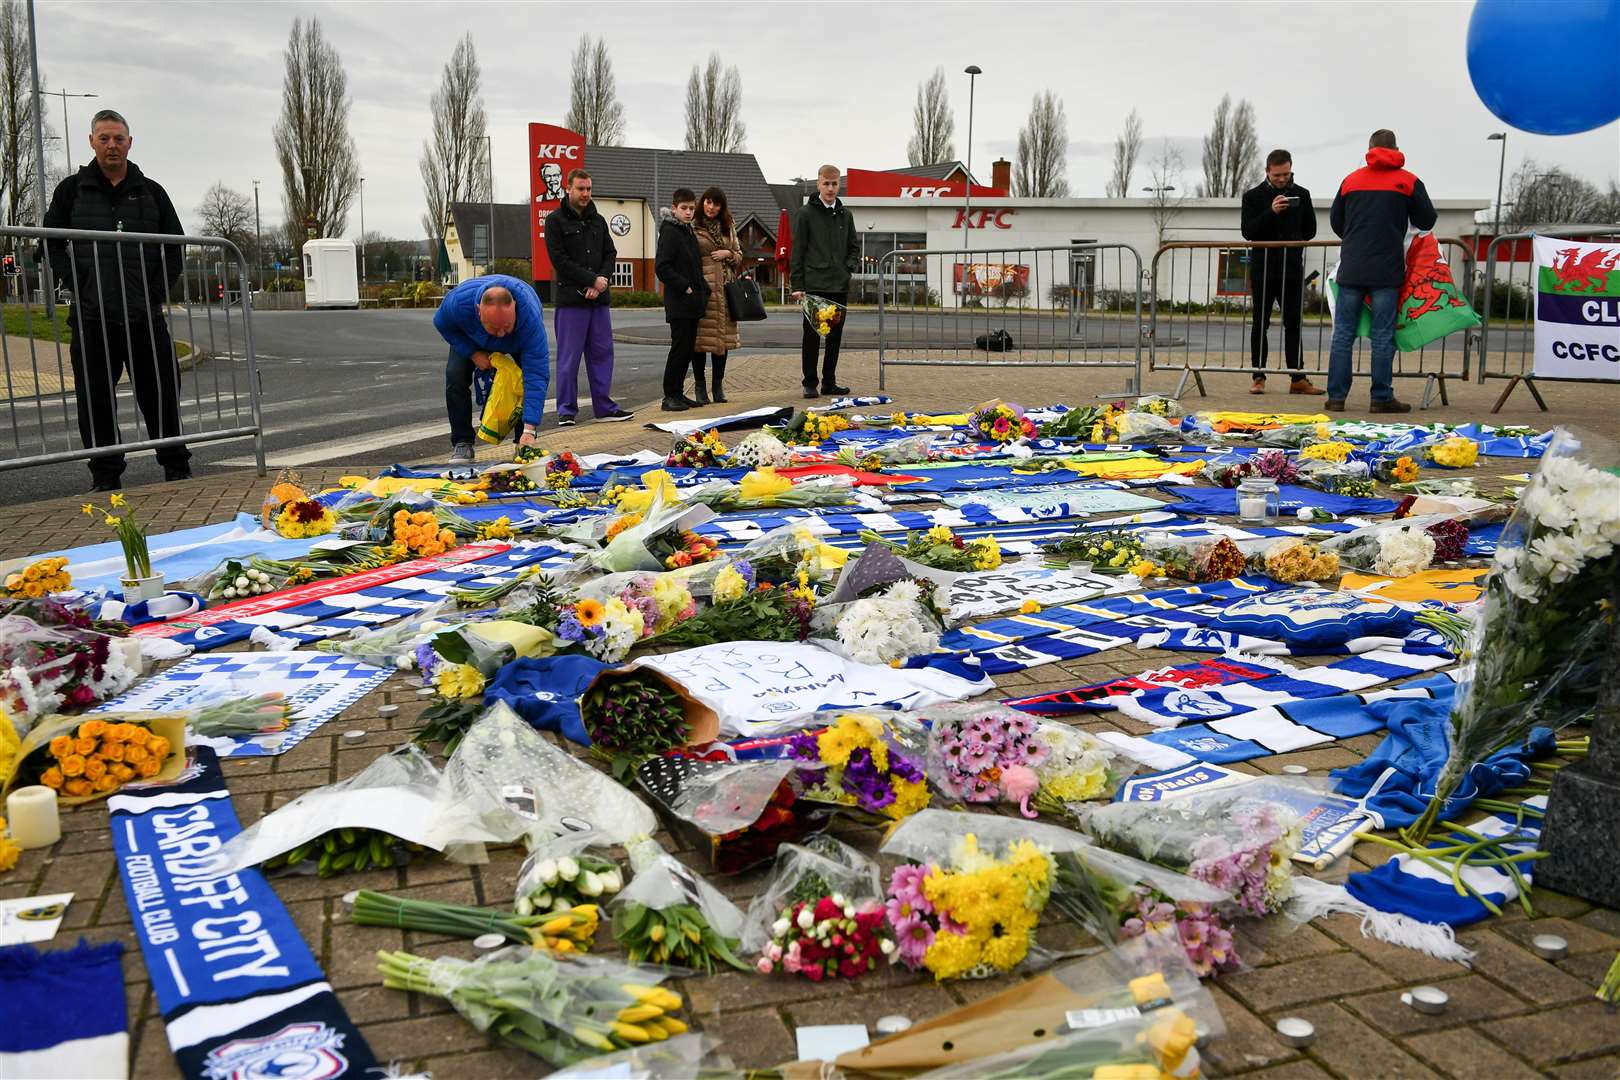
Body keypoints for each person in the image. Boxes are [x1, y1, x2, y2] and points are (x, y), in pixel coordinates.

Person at [44, 109, 188, 492]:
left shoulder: (151, 192)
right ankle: (106, 477)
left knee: (161, 393)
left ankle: (176, 467)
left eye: (118, 138)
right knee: (95, 400)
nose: (112, 145)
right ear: (92, 141)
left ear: (130, 143)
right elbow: (50, 242)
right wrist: (76, 281)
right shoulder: (72, 191)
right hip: (93, 318)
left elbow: (175, 246)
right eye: (104, 138)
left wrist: (156, 291)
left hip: (144, 316)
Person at [1326, 129, 1436, 413]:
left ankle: (1336, 398)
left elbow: (1337, 222)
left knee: (1343, 334)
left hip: (1351, 267)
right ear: (1396, 147)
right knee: (1383, 334)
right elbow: (1427, 219)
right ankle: (1381, 397)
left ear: (1370, 148)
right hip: (1387, 271)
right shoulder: (1408, 181)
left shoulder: (1350, 180)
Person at [544, 169, 632, 426]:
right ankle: (566, 412)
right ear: (568, 189)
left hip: (599, 301)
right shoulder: (555, 221)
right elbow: (560, 260)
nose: (585, 194)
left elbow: (610, 253)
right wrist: (589, 280)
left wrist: (601, 280)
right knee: (568, 358)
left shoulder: (599, 221)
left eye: (589, 189)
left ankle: (604, 408)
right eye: (581, 189)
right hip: (572, 302)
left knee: (602, 354)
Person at [434, 274, 551, 459]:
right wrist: (473, 353)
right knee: (455, 375)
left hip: (519, 340)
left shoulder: (530, 321)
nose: (501, 334)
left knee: (523, 381)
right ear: (478, 310)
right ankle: (462, 442)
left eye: (506, 326)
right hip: (473, 339)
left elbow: (536, 376)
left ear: (515, 307)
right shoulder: (458, 303)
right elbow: (442, 324)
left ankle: (523, 443)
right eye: (494, 329)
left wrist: (531, 428)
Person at [1240, 149, 1323, 396]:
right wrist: (1271, 212)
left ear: (1291, 168)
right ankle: (1258, 376)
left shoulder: (1302, 194)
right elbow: (1248, 231)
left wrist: (1295, 212)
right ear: (1267, 171)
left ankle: (1297, 377)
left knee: (1294, 324)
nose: (1281, 179)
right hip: (1263, 270)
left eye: (1286, 174)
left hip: (1291, 270)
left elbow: (1310, 231)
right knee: (1260, 324)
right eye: (1277, 175)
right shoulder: (1253, 197)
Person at [789, 164, 858, 399]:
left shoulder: (846, 215)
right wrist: (797, 285)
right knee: (811, 336)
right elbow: (797, 251)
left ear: (839, 185)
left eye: (834, 183)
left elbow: (853, 248)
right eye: (826, 183)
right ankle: (810, 382)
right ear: (818, 184)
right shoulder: (805, 214)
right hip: (814, 286)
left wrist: (847, 268)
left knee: (835, 336)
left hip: (838, 285)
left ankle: (829, 381)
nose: (830, 188)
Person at [655, 189, 708, 412]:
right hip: (680, 302)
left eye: (691, 208)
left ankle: (678, 393)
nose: (688, 213)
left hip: (692, 302)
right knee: (679, 349)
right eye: (684, 208)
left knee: (687, 349)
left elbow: (694, 265)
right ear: (674, 208)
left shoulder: (687, 231)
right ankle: (669, 396)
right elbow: (662, 267)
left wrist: (702, 289)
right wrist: (684, 286)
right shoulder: (670, 232)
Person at [691, 186, 744, 404]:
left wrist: (728, 253)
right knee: (700, 341)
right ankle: (700, 387)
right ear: (702, 202)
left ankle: (718, 386)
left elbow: (740, 256)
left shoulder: (728, 226)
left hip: (726, 292)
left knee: (722, 341)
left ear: (722, 206)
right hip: (704, 290)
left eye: (716, 203)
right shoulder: (693, 225)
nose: (711, 207)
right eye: (708, 202)